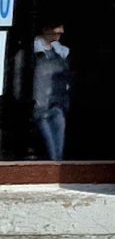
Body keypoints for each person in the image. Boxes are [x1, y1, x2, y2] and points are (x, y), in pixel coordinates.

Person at [31, 19, 70, 161]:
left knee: (57, 154)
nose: (61, 31)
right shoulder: (33, 54)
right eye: (58, 27)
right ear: (46, 28)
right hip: (40, 108)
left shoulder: (61, 53)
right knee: (50, 152)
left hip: (57, 106)